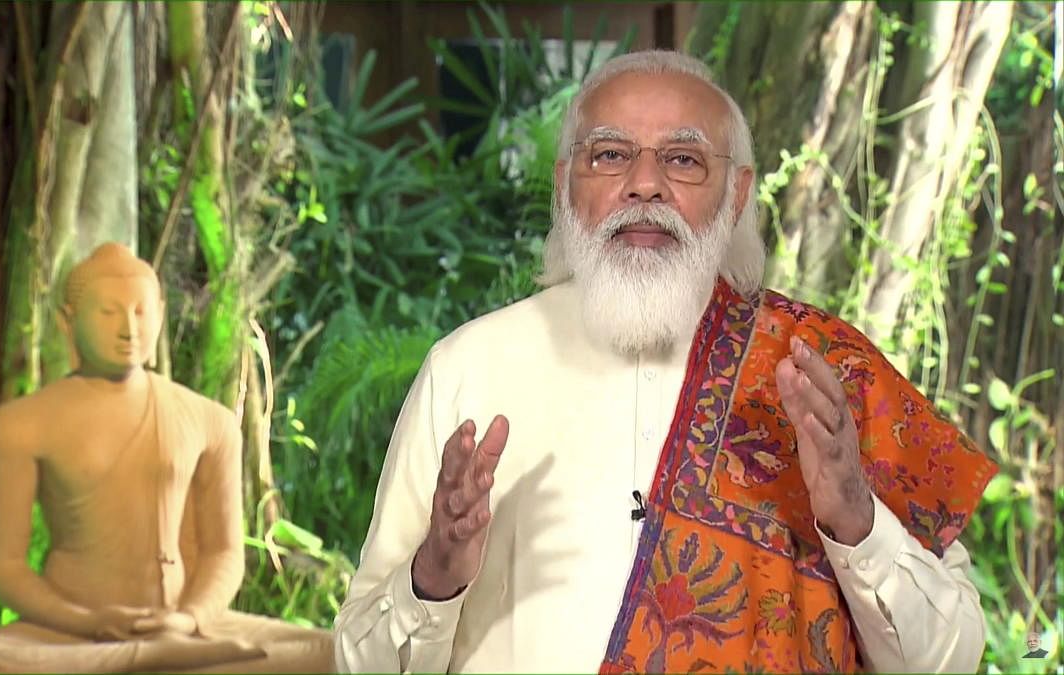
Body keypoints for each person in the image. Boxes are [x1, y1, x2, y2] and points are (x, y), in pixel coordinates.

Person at [333, 51, 997, 673]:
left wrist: (856, 515)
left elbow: (953, 655)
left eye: (682, 158)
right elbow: (357, 659)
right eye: (610, 155)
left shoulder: (820, 373)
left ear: (735, 195)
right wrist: (436, 573)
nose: (643, 184)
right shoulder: (467, 368)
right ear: (566, 185)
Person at [0, 243, 333, 673]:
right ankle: (150, 657)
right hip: (71, 638)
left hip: (183, 626)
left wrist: (189, 618)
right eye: (108, 312)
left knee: (330, 652)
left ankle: (165, 652)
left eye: (141, 312)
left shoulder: (209, 421)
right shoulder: (20, 424)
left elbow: (224, 551)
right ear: (67, 322)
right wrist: (89, 621)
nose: (128, 329)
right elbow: (3, 565)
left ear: (161, 313)